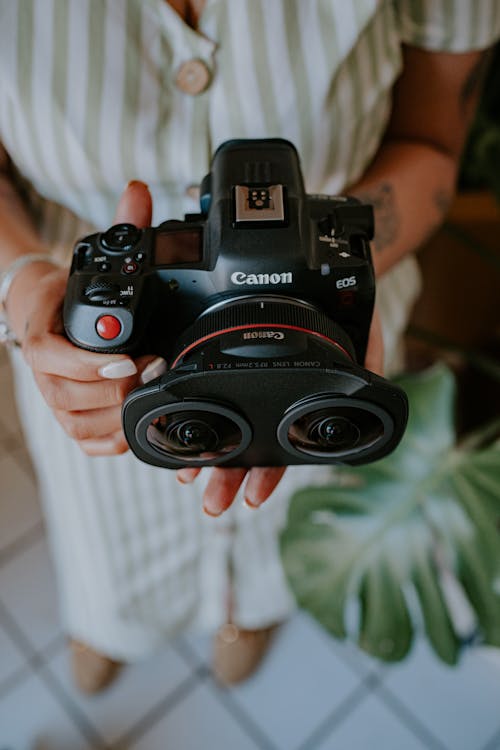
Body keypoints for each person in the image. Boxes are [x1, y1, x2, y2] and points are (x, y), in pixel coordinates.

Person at [0, 0, 498, 692]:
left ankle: (244, 616)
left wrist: (331, 277)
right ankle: (108, 629)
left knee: (285, 506)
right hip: (112, 369)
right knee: (106, 555)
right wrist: (28, 282)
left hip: (335, 351)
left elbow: (434, 141)